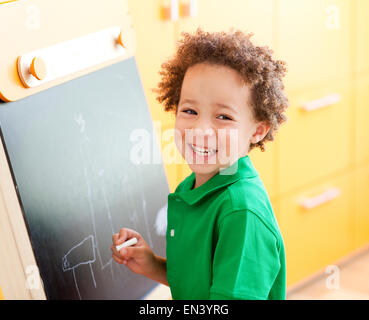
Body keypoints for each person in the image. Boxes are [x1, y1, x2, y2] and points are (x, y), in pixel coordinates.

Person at [111, 28, 289, 300]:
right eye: (190, 111)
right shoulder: (197, 186)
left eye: (223, 117)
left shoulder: (241, 213)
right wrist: (152, 265)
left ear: (257, 130)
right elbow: (201, 281)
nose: (200, 130)